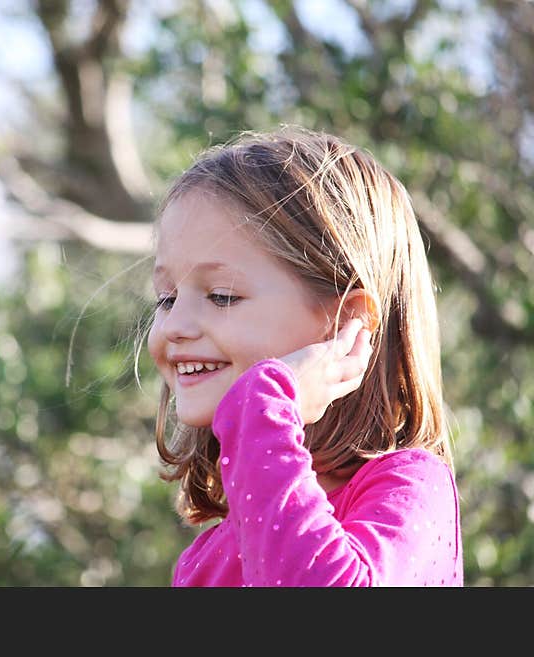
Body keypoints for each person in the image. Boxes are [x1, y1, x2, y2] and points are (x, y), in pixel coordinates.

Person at [145, 126, 463, 586]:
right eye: (167, 299)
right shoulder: (202, 561)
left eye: (221, 295)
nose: (174, 326)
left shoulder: (410, 490)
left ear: (345, 323)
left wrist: (264, 405)